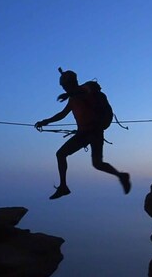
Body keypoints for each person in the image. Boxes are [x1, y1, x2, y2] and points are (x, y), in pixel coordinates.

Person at [35, 69, 131, 200]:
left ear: (70, 83)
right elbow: (62, 114)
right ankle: (121, 176)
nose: (63, 88)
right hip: (92, 132)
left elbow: (84, 91)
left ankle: (63, 187)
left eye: (64, 85)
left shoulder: (87, 90)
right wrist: (46, 121)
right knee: (97, 163)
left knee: (61, 154)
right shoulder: (74, 97)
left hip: (89, 132)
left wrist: (68, 94)